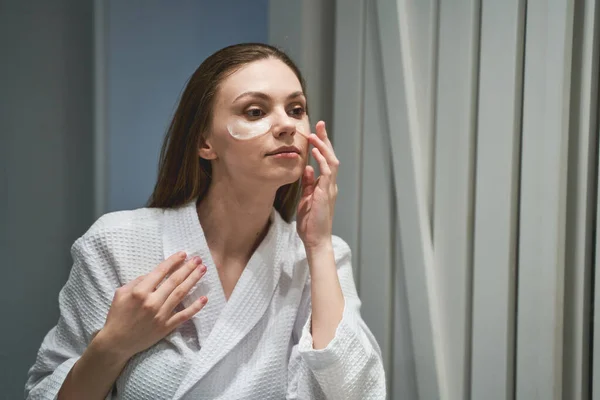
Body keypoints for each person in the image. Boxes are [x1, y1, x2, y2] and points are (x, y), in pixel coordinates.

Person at [25, 43, 386, 399]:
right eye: (256, 112)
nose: (287, 125)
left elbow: (356, 393)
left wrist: (319, 245)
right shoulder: (116, 244)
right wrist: (114, 345)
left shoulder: (320, 257)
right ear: (205, 143)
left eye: (296, 109)